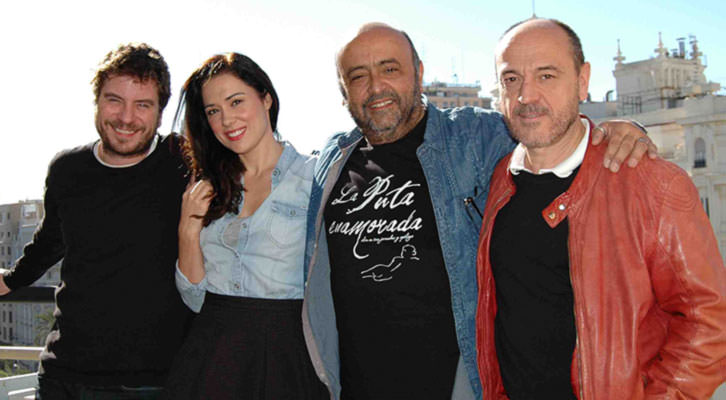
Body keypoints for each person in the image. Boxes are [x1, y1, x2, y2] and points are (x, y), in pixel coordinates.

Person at [302, 22, 657, 400]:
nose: (376, 88)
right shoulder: (332, 161)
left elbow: (550, 130)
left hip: (461, 386)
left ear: (419, 74)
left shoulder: (476, 137)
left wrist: (618, 131)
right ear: (343, 92)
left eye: (391, 69)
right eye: (358, 76)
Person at [475, 18, 726, 399]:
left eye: (546, 75)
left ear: (582, 80)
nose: (526, 95)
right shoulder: (498, 179)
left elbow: (710, 320)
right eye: (511, 79)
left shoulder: (652, 184)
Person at [0, 43, 192, 399]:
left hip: (153, 381)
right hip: (64, 376)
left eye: (143, 105)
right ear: (97, 100)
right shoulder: (67, 170)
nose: (126, 117)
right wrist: (10, 280)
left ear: (161, 113)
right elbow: (50, 240)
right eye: (114, 100)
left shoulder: (182, 163)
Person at [164, 52, 327, 399]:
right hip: (211, 359)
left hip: (289, 357)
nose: (227, 120)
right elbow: (195, 299)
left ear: (266, 98)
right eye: (213, 111)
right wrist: (187, 228)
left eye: (236, 101)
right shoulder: (207, 188)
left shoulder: (315, 180)